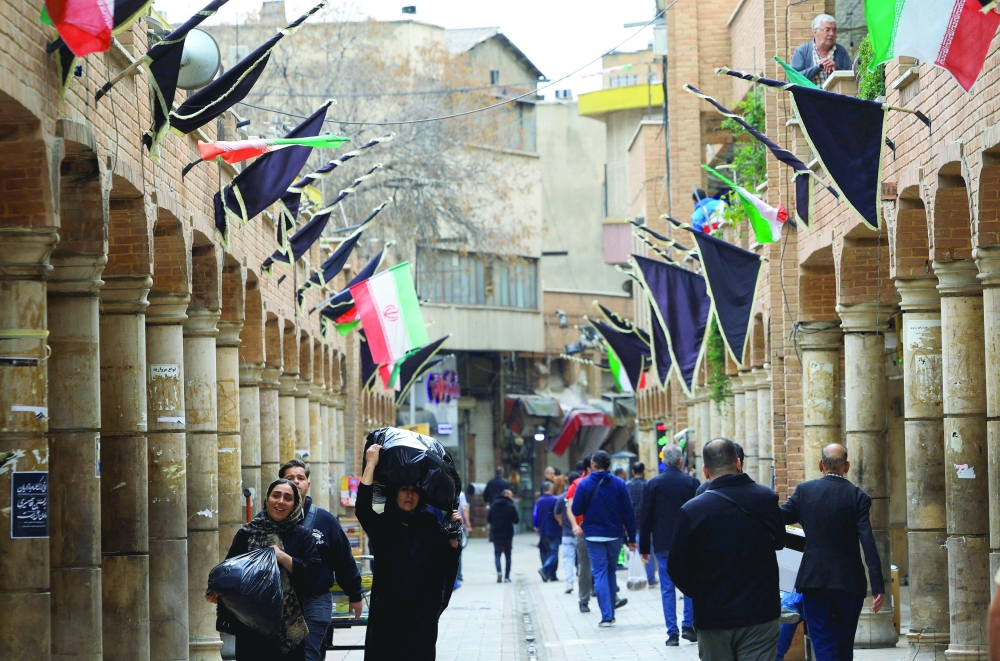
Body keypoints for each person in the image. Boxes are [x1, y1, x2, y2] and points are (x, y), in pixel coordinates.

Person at [668, 439, 784, 661]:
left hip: (713, 616)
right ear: (739, 463)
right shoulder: (766, 498)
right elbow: (778, 542)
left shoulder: (692, 510)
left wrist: (702, 592)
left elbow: (676, 567)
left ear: (705, 470)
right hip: (760, 611)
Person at [355, 443, 461, 660]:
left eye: (414, 491)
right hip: (387, 614)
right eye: (405, 489)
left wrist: (453, 536)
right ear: (395, 493)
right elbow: (363, 509)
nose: (409, 495)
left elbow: (444, 564)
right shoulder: (384, 525)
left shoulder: (430, 526)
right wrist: (371, 464)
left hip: (420, 618)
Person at [780, 444, 885, 661]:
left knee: (822, 640)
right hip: (849, 582)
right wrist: (878, 586)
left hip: (813, 580)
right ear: (846, 467)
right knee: (845, 643)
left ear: (821, 465)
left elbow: (779, 518)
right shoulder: (858, 496)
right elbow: (868, 542)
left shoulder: (804, 491)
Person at [207, 478, 322, 661]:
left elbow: (312, 574)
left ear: (295, 504)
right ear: (267, 499)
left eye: (288, 498)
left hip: (289, 627)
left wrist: (282, 557)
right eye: (276, 496)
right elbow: (229, 572)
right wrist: (217, 592)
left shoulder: (301, 536)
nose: (280, 502)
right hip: (250, 628)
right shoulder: (247, 533)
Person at [279, 460, 363, 661]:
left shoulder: (324, 520)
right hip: (280, 602)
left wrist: (355, 594)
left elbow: (344, 559)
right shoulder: (270, 520)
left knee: (308, 654)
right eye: (290, 478)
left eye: (301, 478)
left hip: (315, 599)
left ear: (308, 483)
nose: (296, 482)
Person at [640, 445, 700, 647]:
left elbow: (646, 517)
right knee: (690, 586)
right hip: (688, 543)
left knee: (667, 588)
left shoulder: (654, 484)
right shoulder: (692, 482)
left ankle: (672, 633)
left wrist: (644, 548)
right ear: (681, 460)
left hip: (662, 543)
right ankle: (689, 626)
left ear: (664, 461)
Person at [571, 450, 638, 628]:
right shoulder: (619, 484)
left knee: (599, 572)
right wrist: (632, 537)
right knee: (610, 571)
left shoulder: (584, 484)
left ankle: (606, 616)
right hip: (614, 534)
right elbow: (628, 513)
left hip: (593, 535)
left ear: (593, 464)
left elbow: (576, 510)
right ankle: (611, 612)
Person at [565, 456, 594, 612]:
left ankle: (610, 596)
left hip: (602, 528)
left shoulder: (605, 481)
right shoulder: (577, 484)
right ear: (590, 467)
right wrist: (575, 525)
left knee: (606, 566)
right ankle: (583, 599)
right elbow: (570, 507)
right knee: (585, 566)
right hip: (583, 530)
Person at [791, 14, 853, 86]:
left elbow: (851, 78)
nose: (832, 34)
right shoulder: (802, 51)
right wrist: (818, 67)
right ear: (815, 31)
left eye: (834, 30)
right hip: (811, 96)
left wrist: (835, 69)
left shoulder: (840, 51)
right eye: (827, 30)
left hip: (835, 97)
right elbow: (793, 79)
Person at [626, 461, 658, 588]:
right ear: (643, 471)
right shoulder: (648, 485)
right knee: (648, 550)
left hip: (632, 523)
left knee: (635, 551)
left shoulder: (627, 485)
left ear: (633, 472)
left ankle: (637, 577)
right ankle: (650, 578)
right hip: (647, 524)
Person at [554, 470, 581, 594]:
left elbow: (556, 513)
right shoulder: (581, 496)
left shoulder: (562, 497)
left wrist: (561, 521)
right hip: (580, 533)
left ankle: (569, 583)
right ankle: (583, 582)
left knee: (568, 559)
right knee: (582, 560)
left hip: (566, 534)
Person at [487, 488, 520, 582]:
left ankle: (499, 572)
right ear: (507, 496)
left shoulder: (493, 506)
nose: (512, 498)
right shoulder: (510, 506)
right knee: (508, 556)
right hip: (507, 534)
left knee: (497, 554)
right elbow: (516, 521)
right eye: (511, 496)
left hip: (496, 533)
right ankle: (506, 576)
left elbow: (489, 519)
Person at [533, 480, 561, 582]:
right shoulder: (556, 500)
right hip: (554, 529)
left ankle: (550, 574)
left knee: (547, 552)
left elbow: (535, 515)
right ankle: (545, 570)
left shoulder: (539, 501)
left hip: (543, 530)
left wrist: (536, 526)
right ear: (550, 489)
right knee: (554, 553)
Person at [457, 486, 472, 581]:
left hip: (441, 525)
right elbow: (464, 509)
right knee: (457, 551)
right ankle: (458, 575)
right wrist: (468, 524)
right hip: (456, 525)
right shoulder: (460, 495)